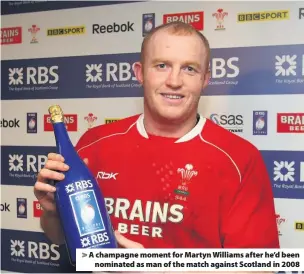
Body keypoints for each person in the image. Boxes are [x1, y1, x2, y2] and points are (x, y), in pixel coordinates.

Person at [34, 21, 279, 251]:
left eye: (189, 69)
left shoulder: (240, 158)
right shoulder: (94, 143)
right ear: (140, 73)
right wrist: (54, 213)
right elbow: (59, 237)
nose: (174, 81)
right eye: (162, 66)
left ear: (205, 79)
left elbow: (258, 266)